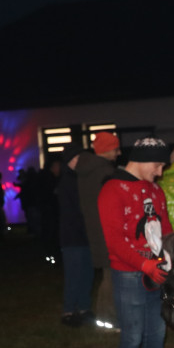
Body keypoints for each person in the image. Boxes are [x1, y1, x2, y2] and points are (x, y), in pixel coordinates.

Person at [97, 138, 174, 348]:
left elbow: (165, 229)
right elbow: (114, 240)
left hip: (155, 273)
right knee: (133, 336)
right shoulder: (112, 190)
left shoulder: (155, 190)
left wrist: (170, 258)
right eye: (158, 164)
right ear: (142, 159)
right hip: (129, 274)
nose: (160, 172)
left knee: (156, 335)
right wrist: (144, 264)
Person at [77, 131, 120, 328]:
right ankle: (109, 320)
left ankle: (107, 319)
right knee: (111, 276)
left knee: (107, 275)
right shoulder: (103, 171)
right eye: (116, 148)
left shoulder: (88, 170)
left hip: (96, 229)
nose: (118, 152)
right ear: (107, 149)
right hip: (106, 229)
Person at [56, 146, 94, 326]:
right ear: (72, 159)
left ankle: (83, 309)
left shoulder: (80, 179)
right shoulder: (68, 182)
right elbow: (73, 212)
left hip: (83, 235)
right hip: (73, 238)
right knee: (74, 275)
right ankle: (70, 311)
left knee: (86, 274)